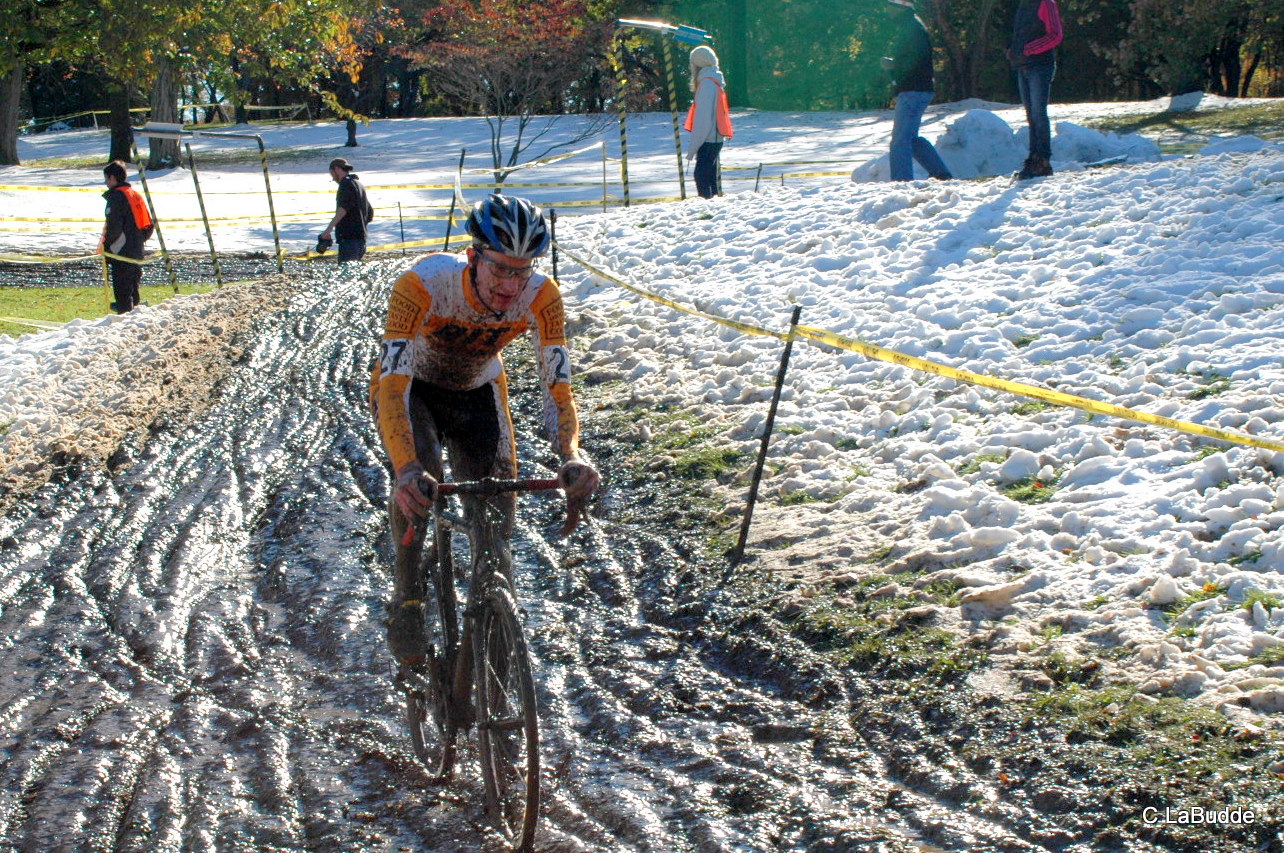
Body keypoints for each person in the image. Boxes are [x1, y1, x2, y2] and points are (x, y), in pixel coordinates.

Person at [369, 194, 600, 665]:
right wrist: (407, 468)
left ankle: (495, 648)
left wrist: (572, 455)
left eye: (523, 270)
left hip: (477, 393)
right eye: (499, 269)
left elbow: (557, 387)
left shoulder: (542, 295)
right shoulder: (422, 285)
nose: (511, 285)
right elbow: (391, 387)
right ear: (473, 257)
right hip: (414, 393)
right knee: (419, 489)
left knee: (495, 528)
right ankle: (408, 597)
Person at [882, 0, 953, 181]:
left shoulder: (912, 29)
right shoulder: (912, 26)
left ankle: (901, 182)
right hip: (918, 89)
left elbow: (914, 61)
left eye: (889, 5)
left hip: (913, 90)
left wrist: (892, 66)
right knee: (912, 139)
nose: (886, 9)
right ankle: (942, 175)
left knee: (900, 141)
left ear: (899, 8)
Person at [1007, 0, 1063, 180]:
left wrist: (1030, 50)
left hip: (1040, 65)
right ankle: (1033, 159)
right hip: (1023, 66)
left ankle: (1043, 160)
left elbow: (1055, 35)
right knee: (1031, 116)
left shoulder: (1046, 3)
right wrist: (1013, 51)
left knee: (1039, 114)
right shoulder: (1023, 5)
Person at [99, 160, 153, 313]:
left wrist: (108, 248)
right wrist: (139, 241)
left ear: (112, 178)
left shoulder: (116, 197)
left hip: (121, 252)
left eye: (106, 179)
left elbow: (114, 226)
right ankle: (134, 319)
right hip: (136, 251)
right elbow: (149, 224)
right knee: (133, 291)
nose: (105, 183)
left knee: (123, 293)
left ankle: (124, 319)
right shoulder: (135, 195)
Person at [684, 45, 733, 199]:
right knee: (711, 177)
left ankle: (707, 209)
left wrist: (692, 149)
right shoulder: (714, 81)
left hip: (708, 139)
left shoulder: (706, 85)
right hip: (716, 137)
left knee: (701, 177)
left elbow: (703, 121)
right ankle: (714, 206)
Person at [320, 157, 374, 261]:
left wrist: (328, 229)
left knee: (346, 274)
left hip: (349, 239)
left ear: (336, 169)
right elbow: (370, 213)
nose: (333, 178)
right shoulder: (359, 184)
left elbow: (342, 210)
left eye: (332, 174)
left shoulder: (345, 184)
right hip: (361, 239)